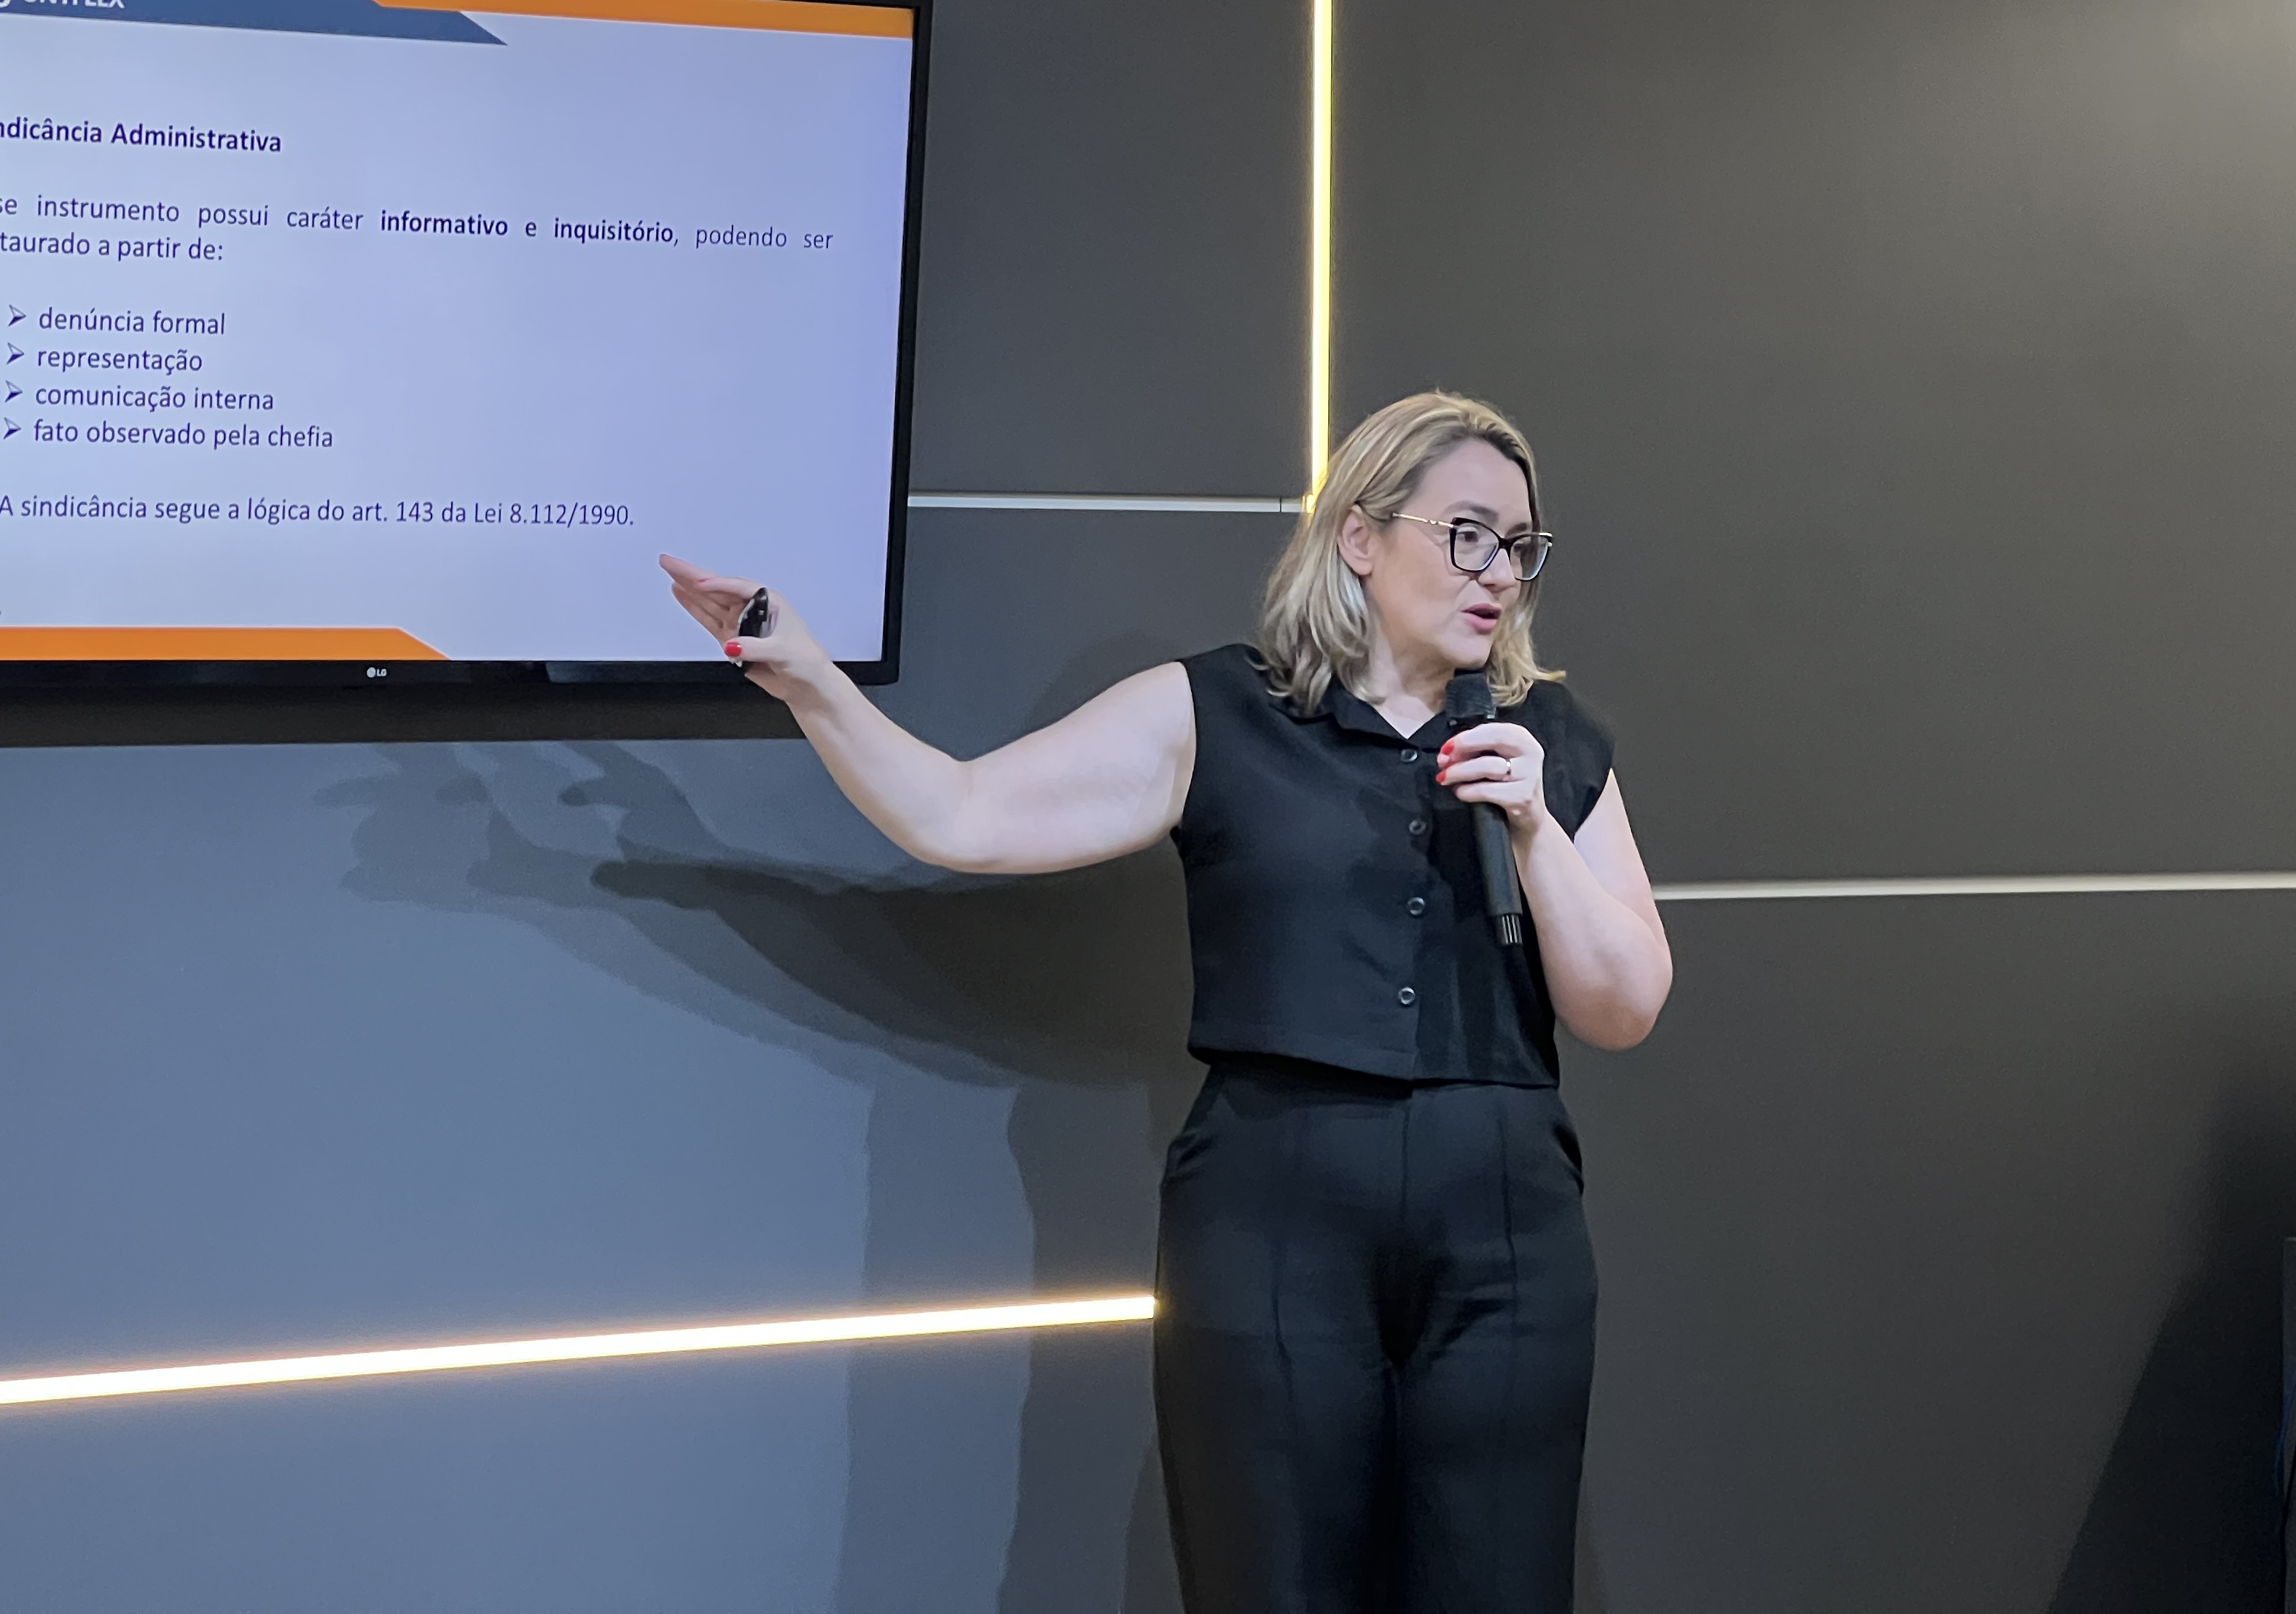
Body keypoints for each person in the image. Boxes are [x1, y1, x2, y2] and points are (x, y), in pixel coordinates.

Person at [662, 390, 1671, 1614]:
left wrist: (1535, 831)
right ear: (1360, 535)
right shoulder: (1221, 713)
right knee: (1269, 1579)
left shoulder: (1547, 738)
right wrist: (810, 677)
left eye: (1519, 546)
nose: (1499, 573)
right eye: (1468, 534)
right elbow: (962, 816)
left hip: (1507, 1230)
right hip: (1276, 1214)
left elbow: (1625, 1006)